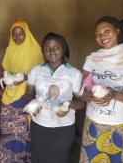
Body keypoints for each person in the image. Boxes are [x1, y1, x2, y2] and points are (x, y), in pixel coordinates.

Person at [79, 16, 123, 163]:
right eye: (98, 34)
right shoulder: (92, 59)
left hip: (121, 126)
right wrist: (89, 96)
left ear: (117, 31)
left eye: (107, 31)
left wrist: (114, 94)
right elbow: (81, 93)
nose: (102, 36)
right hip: (93, 124)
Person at [24, 32, 83, 163]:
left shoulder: (74, 73)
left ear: (63, 49)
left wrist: (68, 105)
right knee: (39, 158)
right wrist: (33, 104)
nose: (51, 51)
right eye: (47, 48)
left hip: (64, 126)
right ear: (43, 51)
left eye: (56, 47)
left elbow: (81, 103)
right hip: (39, 124)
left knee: (60, 158)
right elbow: (28, 95)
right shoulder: (36, 71)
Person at [0, 21, 44, 162]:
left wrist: (25, 76)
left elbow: (42, 76)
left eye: (21, 34)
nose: (17, 37)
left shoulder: (36, 50)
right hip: (9, 97)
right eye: (14, 34)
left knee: (22, 133)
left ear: (26, 33)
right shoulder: (9, 49)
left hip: (26, 98)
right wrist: (9, 77)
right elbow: (6, 70)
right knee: (7, 131)